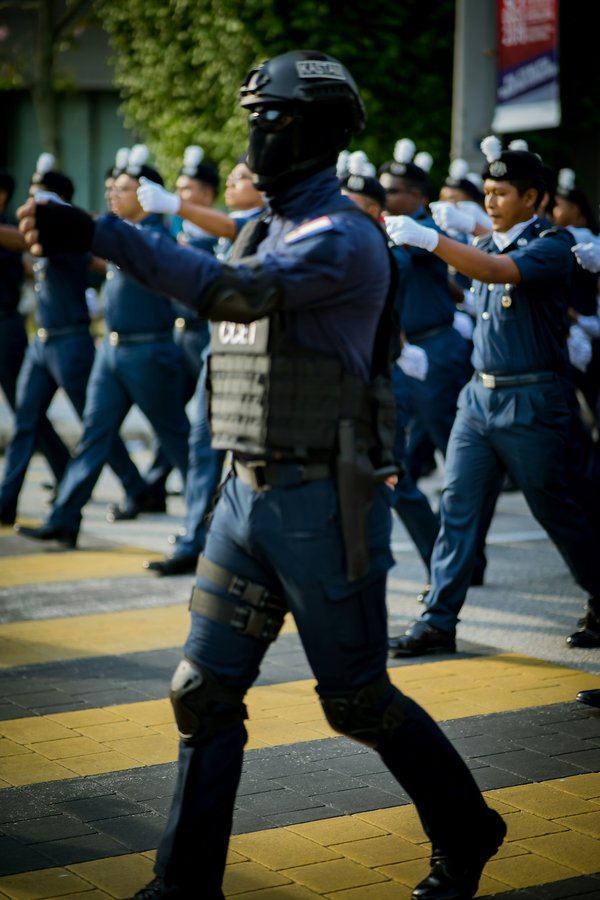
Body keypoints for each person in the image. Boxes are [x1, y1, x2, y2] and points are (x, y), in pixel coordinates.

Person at [19, 49, 506, 900]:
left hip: (324, 504)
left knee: (356, 701)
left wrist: (101, 233)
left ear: (317, 132)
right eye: (254, 117)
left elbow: (231, 293)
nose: (256, 134)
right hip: (244, 496)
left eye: (271, 118)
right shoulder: (262, 226)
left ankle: (467, 828)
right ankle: (183, 885)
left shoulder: (342, 236)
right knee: (202, 693)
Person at [384, 137, 600, 655]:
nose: (490, 201)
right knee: (457, 505)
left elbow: (499, 271)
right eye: (487, 192)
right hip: (479, 398)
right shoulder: (486, 245)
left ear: (533, 198)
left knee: (557, 511)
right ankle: (439, 619)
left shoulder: (551, 245)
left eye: (502, 193)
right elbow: (481, 265)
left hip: (533, 399)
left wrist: (430, 238)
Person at [16, 147, 190, 547]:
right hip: (112, 352)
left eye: (123, 189)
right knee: (94, 435)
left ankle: (208, 523)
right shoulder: (121, 234)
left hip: (148, 351)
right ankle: (65, 518)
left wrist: (69, 218)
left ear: (146, 196)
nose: (113, 194)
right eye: (112, 188)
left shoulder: (154, 237)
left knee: (177, 440)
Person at [0, 155, 146, 531]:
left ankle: (135, 485)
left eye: (41, 198)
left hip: (71, 342)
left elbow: (26, 241)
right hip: (42, 343)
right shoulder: (41, 232)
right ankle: (5, 502)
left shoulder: (69, 233)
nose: (31, 206)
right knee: (25, 423)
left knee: (95, 425)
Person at [138, 156, 267, 575]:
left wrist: (175, 206)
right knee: (202, 444)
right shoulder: (229, 227)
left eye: (242, 178)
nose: (232, 183)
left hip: (254, 359)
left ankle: (254, 548)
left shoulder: (265, 222)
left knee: (251, 458)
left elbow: (233, 228)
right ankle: (196, 539)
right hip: (220, 350)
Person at [341, 164, 440, 583]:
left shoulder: (390, 256)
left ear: (373, 213)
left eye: (349, 205)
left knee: (392, 475)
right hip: (348, 379)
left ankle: (445, 564)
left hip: (382, 379)